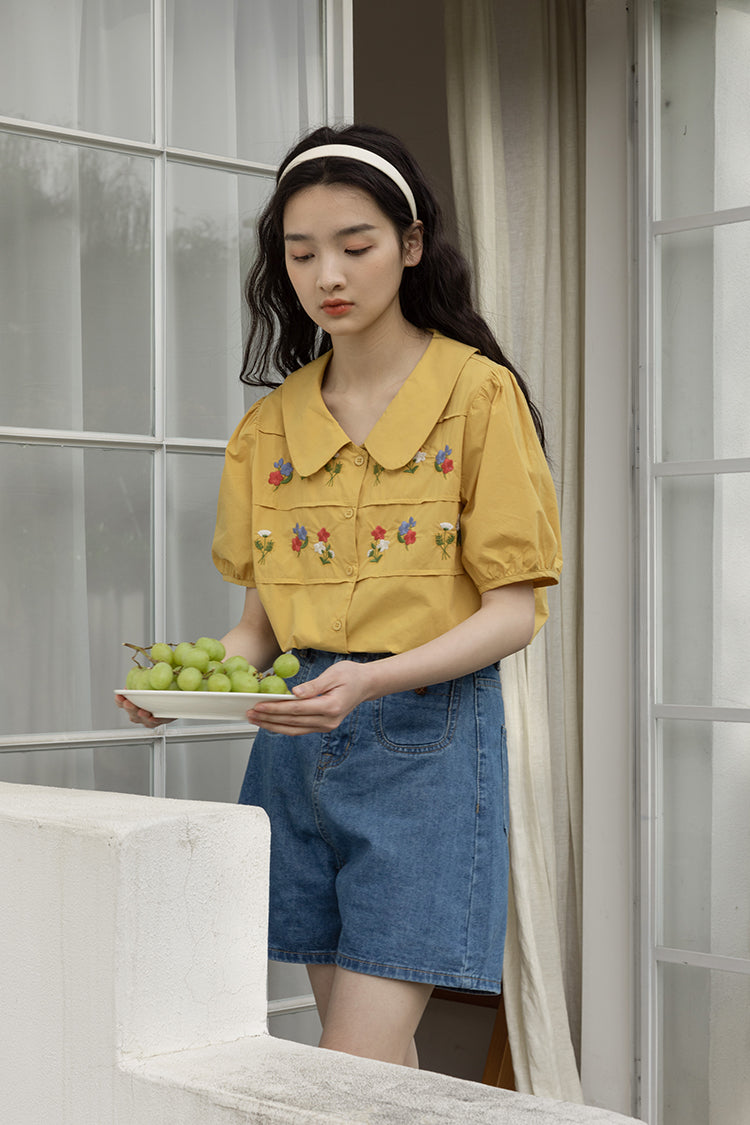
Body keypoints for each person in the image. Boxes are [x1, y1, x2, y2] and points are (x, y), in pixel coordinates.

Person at [118, 123, 562, 1069]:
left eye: (355, 246)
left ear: (409, 245)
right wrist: (178, 685)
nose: (329, 273)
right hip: (294, 753)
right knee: (367, 1068)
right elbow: (257, 630)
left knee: (348, 1061)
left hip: (426, 739)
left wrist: (370, 680)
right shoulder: (270, 426)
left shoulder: (478, 398)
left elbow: (514, 612)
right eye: (302, 250)